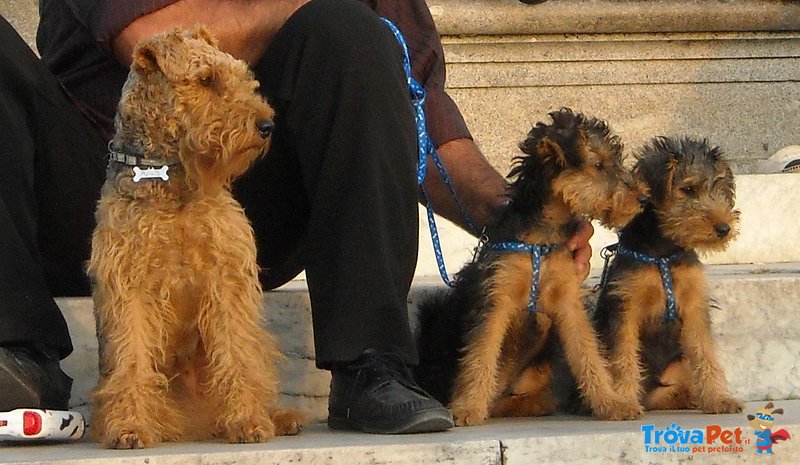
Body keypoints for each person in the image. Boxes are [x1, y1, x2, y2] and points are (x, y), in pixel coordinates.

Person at [0, 0, 592, 434]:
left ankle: (370, 364)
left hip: (253, 192)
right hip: (85, 180)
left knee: (356, 32)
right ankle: (19, 348)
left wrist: (509, 214)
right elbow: (152, 37)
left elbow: (417, 110)